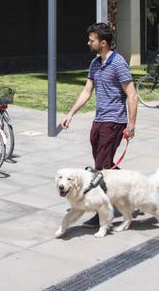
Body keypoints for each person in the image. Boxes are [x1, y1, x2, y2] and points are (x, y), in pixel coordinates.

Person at [60, 22, 138, 226]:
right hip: (99, 121)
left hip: (114, 122)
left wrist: (131, 125)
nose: (89, 43)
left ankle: (101, 212)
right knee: (106, 165)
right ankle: (134, 189)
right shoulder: (95, 63)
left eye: (92, 40)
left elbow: (132, 95)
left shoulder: (118, 63)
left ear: (103, 43)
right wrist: (71, 113)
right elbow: (87, 91)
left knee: (101, 170)